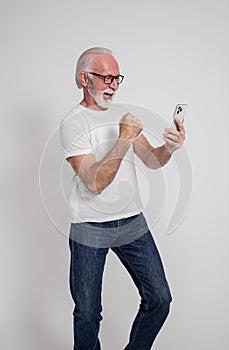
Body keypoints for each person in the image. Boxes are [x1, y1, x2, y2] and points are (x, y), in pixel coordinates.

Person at [60, 47, 186, 350]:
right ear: (84, 78)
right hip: (90, 227)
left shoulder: (123, 115)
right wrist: (123, 139)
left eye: (117, 78)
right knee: (88, 314)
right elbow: (94, 183)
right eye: (106, 77)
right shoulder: (73, 123)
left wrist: (170, 147)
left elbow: (152, 160)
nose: (114, 84)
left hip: (132, 221)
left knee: (160, 299)